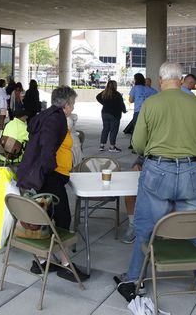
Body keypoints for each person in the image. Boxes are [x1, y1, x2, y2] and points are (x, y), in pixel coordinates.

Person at [116, 62, 196, 303]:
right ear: (182, 79)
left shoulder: (152, 103)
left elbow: (138, 144)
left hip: (158, 170)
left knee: (146, 227)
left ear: (161, 80)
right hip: (193, 170)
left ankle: (135, 280)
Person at [16, 86, 88, 282]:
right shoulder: (56, 118)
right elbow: (47, 144)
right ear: (67, 104)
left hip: (51, 176)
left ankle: (41, 260)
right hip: (50, 176)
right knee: (62, 218)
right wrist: (50, 169)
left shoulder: (49, 114)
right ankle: (65, 264)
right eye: (72, 103)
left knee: (45, 215)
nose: (73, 107)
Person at [96, 80, 126, 152]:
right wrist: (124, 110)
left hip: (105, 113)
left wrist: (104, 103)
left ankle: (102, 146)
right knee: (113, 130)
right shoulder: (117, 94)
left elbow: (97, 97)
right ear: (115, 86)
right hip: (114, 114)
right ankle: (112, 147)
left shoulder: (104, 92)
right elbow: (121, 104)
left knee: (105, 129)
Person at [127, 73, 157, 140]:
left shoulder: (135, 88)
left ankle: (133, 144)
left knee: (135, 128)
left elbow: (130, 100)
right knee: (146, 129)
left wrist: (137, 98)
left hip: (138, 111)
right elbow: (157, 98)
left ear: (136, 80)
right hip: (148, 112)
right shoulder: (150, 90)